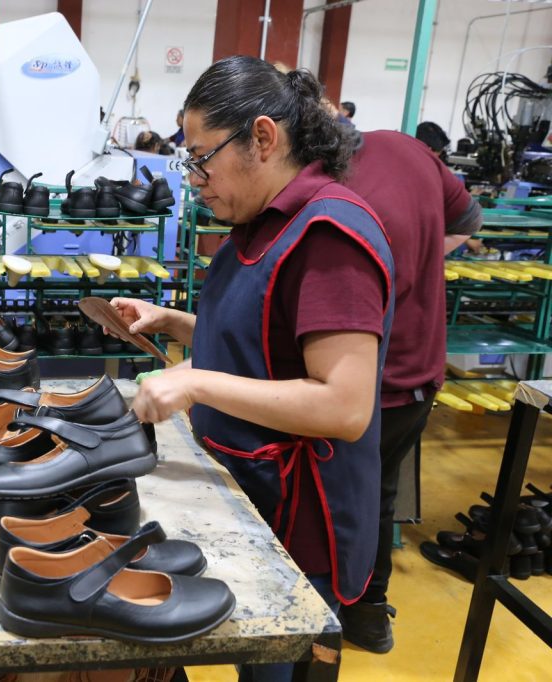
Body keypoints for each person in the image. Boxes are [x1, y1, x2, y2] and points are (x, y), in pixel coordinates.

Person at [111, 56, 393, 682]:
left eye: (202, 156)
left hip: (300, 523)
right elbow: (265, 340)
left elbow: (344, 407)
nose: (195, 178)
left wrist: (195, 380)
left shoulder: (328, 235)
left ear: (263, 138)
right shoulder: (256, 224)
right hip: (249, 495)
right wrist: (175, 322)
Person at [335, 128, 481, 653]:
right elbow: (470, 218)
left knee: (344, 495)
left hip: (377, 374)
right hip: (421, 367)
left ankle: (332, 611)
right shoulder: (405, 147)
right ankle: (369, 615)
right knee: (379, 494)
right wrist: (418, 263)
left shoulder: (329, 189)